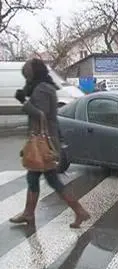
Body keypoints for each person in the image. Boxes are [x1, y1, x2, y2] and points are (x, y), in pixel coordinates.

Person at [10, 58, 90, 228]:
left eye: (28, 75)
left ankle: (78, 212)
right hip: (44, 141)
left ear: (34, 74)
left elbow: (41, 114)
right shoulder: (42, 87)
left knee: (44, 179)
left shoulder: (42, 89)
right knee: (41, 179)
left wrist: (23, 102)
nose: (27, 79)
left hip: (43, 143)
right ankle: (30, 213)